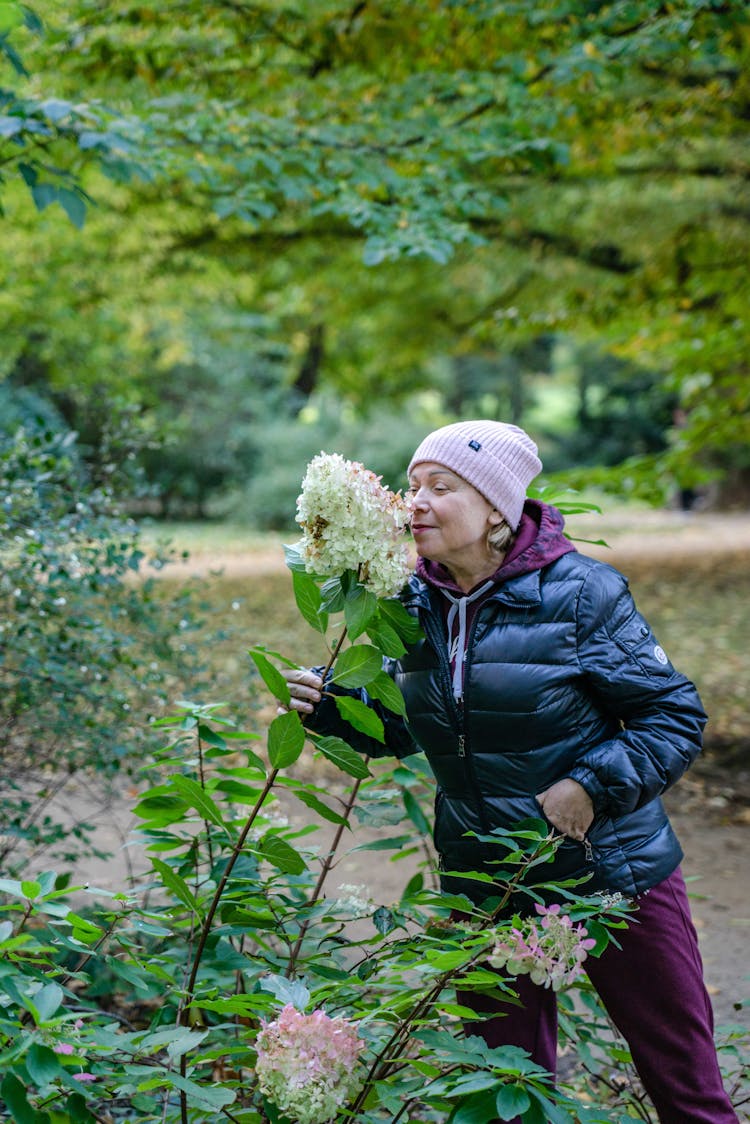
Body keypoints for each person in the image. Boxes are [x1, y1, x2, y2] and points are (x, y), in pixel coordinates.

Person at [281, 420, 738, 1124]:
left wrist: (591, 785)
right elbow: (409, 722)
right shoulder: (410, 604)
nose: (416, 503)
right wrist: (335, 707)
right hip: (488, 881)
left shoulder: (581, 594)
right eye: (412, 486)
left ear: (497, 507)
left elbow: (672, 714)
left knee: (685, 1088)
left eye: (442, 487)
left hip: (613, 876)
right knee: (502, 1096)